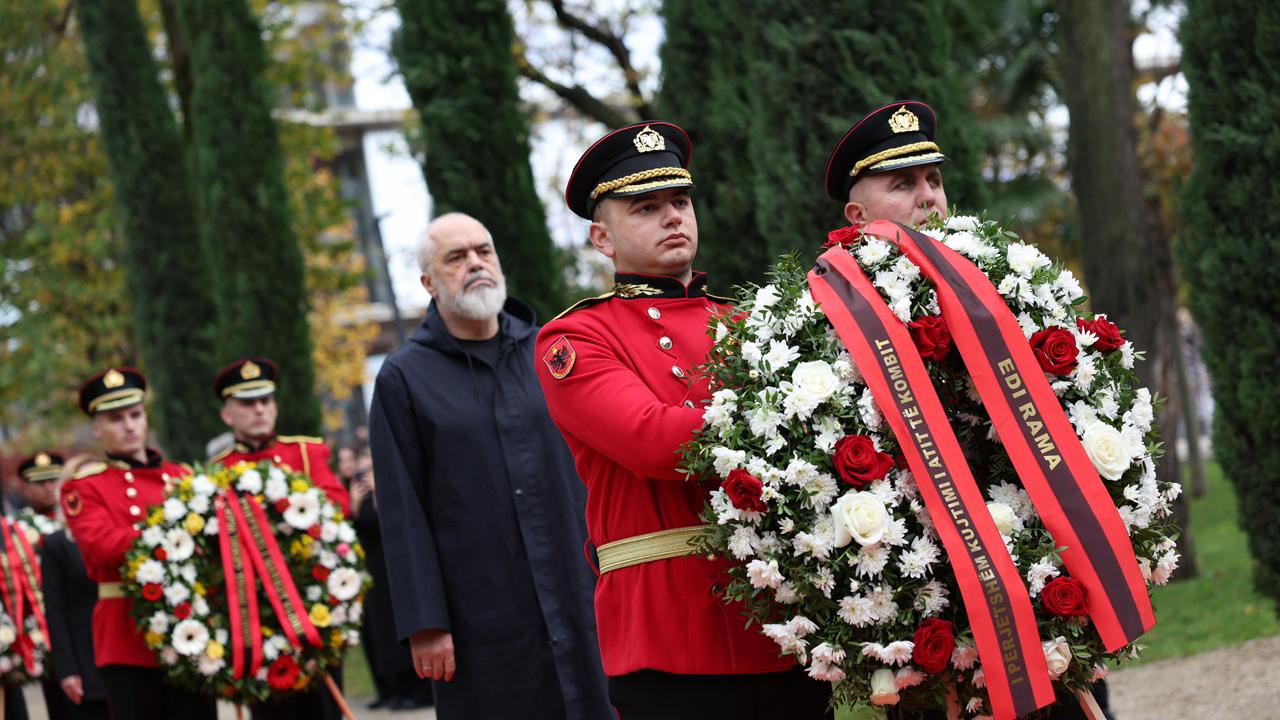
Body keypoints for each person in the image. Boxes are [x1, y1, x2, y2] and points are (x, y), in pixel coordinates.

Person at [825, 102, 1114, 720]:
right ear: (856, 215)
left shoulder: (998, 284)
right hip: (923, 576)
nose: (927, 196)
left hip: (1037, 560)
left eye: (933, 179)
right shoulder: (835, 315)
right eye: (902, 185)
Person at [534, 122, 833, 720]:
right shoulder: (574, 337)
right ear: (602, 238)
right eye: (645, 208)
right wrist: (783, 411)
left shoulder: (749, 320)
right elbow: (656, 442)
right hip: (668, 632)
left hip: (778, 618)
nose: (673, 217)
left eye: (679, 201)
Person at [368, 212, 611, 719]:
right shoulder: (404, 378)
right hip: (480, 609)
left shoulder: (551, 353)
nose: (475, 263)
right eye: (456, 257)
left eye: (484, 250)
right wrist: (425, 623)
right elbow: (401, 509)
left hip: (578, 588)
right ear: (428, 283)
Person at [59, 367, 216, 719]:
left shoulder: (183, 478)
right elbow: (102, 545)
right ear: (97, 429)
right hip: (126, 635)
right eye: (116, 419)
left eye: (135, 414)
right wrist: (172, 534)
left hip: (189, 624)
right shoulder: (85, 486)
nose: (129, 425)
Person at [207, 356, 350, 719]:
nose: (259, 410)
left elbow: (338, 506)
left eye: (265, 401)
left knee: (324, 708)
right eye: (247, 403)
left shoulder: (305, 452)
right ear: (227, 415)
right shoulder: (217, 472)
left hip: (311, 607)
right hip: (255, 619)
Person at [349, 448, 432, 710]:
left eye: (369, 470)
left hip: (392, 568)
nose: (365, 477)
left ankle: (417, 690)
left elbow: (395, 524)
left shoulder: (389, 489)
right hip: (373, 572)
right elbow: (357, 530)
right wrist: (353, 503)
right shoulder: (360, 497)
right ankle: (393, 688)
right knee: (381, 632)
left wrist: (380, 492)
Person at [34, 454, 110, 720]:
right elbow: (55, 610)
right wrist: (67, 670)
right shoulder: (58, 543)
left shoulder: (126, 533)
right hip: (86, 659)